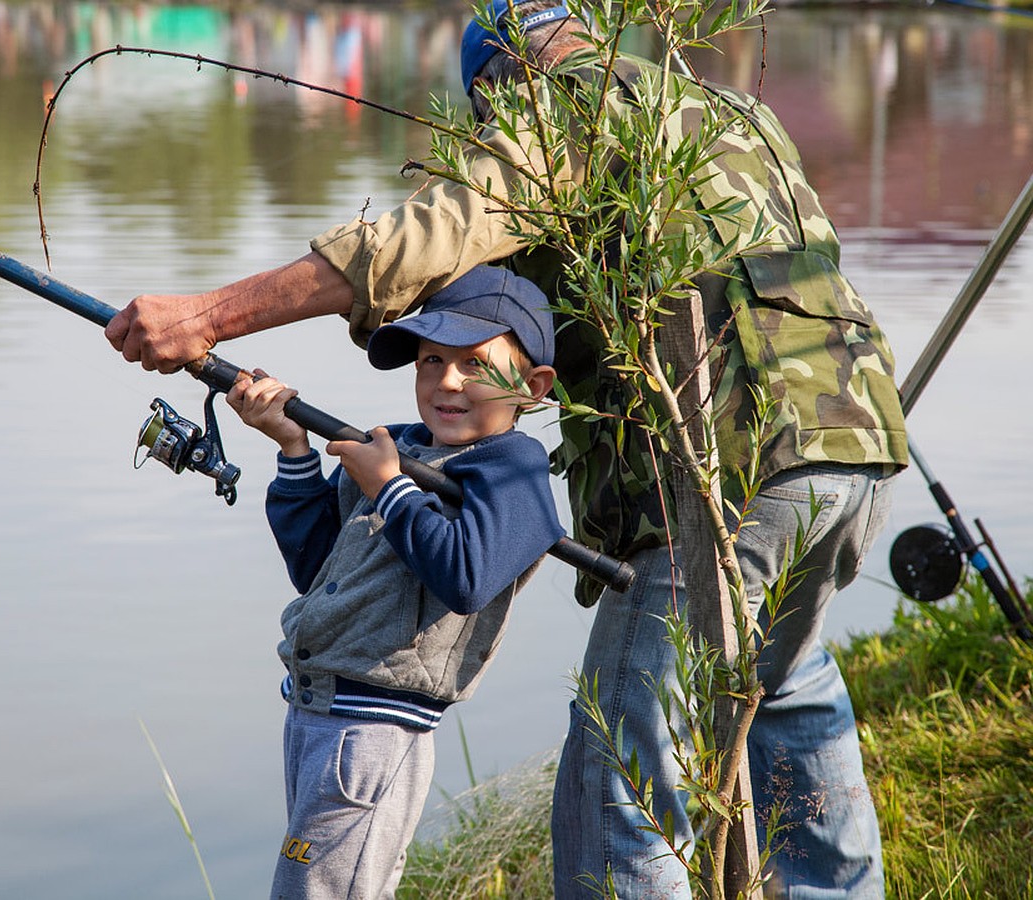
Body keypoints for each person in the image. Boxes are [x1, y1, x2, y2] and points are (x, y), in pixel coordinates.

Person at [105, 3, 908, 896]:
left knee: (624, 782)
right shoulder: (729, 111)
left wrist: (207, 318)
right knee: (786, 689)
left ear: (498, 93)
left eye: (484, 127)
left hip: (730, 478)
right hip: (854, 443)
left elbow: (422, 236)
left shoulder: (567, 113)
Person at [225, 264, 564, 899]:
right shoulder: (397, 446)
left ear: (534, 384)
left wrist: (391, 487)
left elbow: (466, 576)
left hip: (374, 733)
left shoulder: (514, 469)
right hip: (315, 710)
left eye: (474, 364)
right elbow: (319, 570)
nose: (447, 381)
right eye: (431, 360)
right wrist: (295, 451)